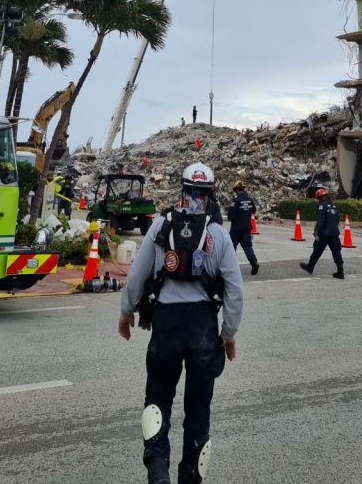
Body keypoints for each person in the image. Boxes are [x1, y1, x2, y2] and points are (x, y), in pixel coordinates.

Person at [118, 162, 243, 484]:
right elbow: (234, 289)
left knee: (158, 398)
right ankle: (190, 478)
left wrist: (126, 311)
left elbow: (137, 275)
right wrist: (228, 333)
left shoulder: (161, 226)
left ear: (182, 190)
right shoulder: (218, 234)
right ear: (210, 195)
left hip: (167, 326)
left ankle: (158, 471)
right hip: (203, 328)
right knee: (199, 410)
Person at [299, 187, 344, 279]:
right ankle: (340, 272)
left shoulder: (321, 206)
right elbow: (337, 219)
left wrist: (316, 230)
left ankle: (310, 267)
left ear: (318, 197)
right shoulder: (333, 206)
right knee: (336, 252)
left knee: (317, 251)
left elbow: (321, 220)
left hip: (324, 233)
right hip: (334, 233)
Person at [227, 181, 259, 276]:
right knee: (247, 247)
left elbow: (230, 216)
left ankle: (231, 267)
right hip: (247, 229)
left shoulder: (236, 201)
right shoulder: (249, 199)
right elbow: (253, 210)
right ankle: (254, 263)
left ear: (236, 190)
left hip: (236, 229)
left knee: (231, 248)